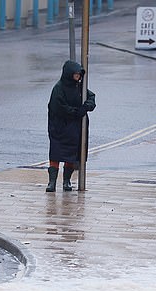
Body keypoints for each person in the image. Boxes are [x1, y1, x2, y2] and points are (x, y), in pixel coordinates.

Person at [46, 60, 96, 192]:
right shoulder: (59, 88)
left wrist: (87, 106)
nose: (78, 77)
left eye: (79, 75)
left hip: (74, 128)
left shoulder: (79, 87)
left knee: (72, 155)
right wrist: (76, 112)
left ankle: (67, 181)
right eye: (76, 75)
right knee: (55, 154)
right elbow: (59, 107)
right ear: (69, 74)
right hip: (59, 128)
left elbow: (91, 97)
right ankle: (52, 182)